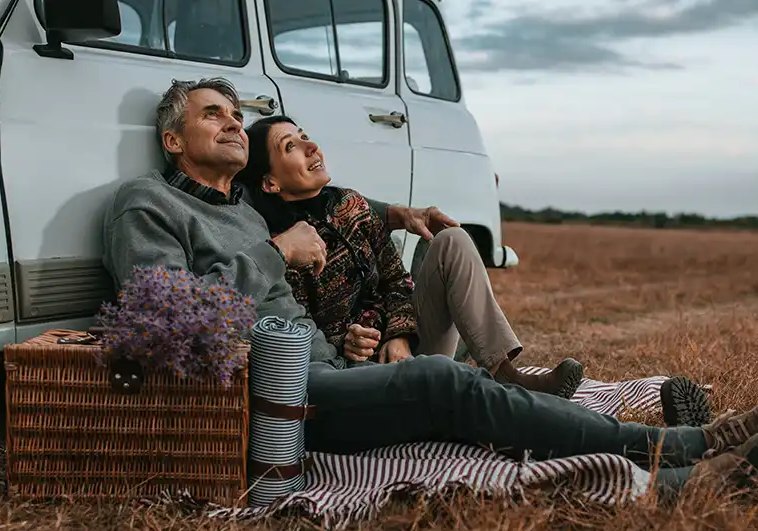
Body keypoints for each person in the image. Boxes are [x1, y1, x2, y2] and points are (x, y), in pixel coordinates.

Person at [100, 77, 758, 500]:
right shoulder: (148, 205)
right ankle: (685, 454)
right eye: (212, 115)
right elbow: (170, 324)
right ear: (172, 141)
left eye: (235, 114)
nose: (233, 123)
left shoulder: (243, 209)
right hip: (275, 400)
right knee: (450, 389)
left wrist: (399, 221)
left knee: (469, 420)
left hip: (321, 368)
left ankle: (676, 461)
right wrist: (273, 252)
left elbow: (335, 203)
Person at [231, 113, 582, 398]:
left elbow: (397, 280)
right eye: (291, 146)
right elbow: (296, 324)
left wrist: (399, 335)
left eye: (305, 135)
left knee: (453, 240)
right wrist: (348, 340)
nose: (311, 146)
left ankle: (506, 373)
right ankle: (471, 392)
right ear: (270, 183)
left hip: (408, 348)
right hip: (354, 373)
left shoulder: (350, 205)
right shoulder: (281, 243)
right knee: (447, 389)